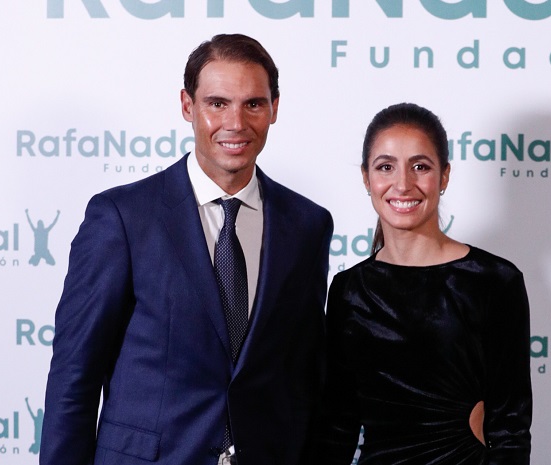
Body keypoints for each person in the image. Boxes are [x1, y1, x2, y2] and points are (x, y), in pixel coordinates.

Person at [40, 34, 333, 465]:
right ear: (187, 106)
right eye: (218, 103)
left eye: (253, 104)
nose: (236, 122)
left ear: (274, 108)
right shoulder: (122, 217)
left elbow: (306, 377)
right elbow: (74, 376)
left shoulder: (307, 225)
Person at [310, 103, 532, 464]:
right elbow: (337, 425)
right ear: (366, 178)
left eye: (420, 167)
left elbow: (510, 430)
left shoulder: (493, 281)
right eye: (386, 167)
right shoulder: (349, 290)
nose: (403, 184)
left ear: (444, 176)